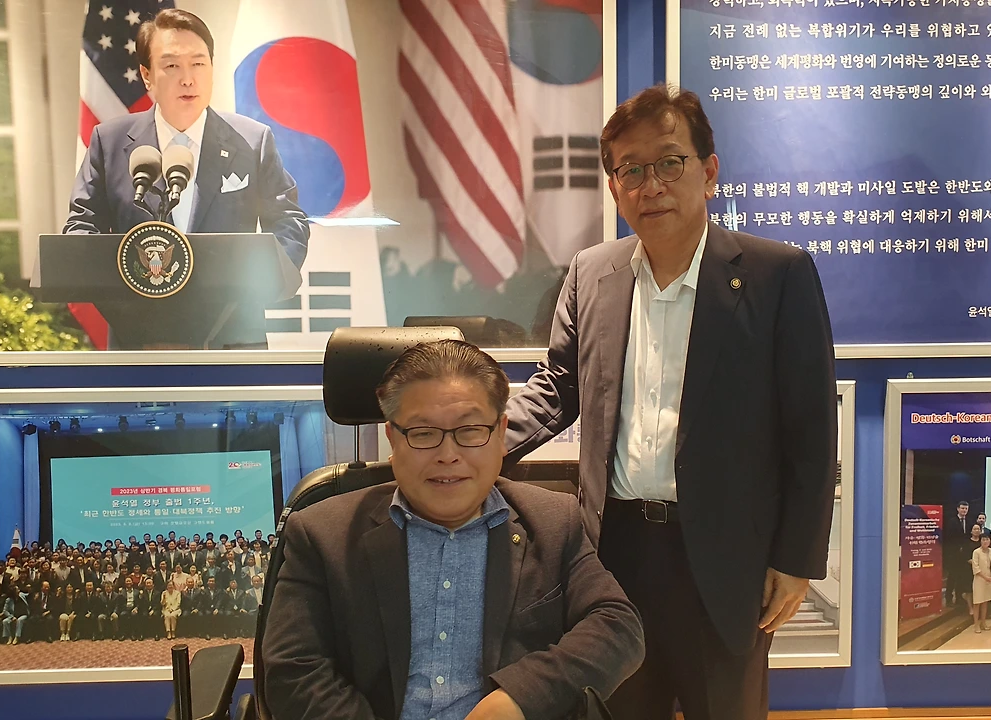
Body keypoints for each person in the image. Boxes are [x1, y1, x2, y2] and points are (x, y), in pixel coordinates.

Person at [502, 84, 837, 720]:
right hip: (614, 553)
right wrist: (475, 440)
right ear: (614, 187)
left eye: (669, 162)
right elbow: (558, 387)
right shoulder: (591, 273)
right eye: (630, 170)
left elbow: (811, 429)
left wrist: (796, 560)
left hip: (726, 557)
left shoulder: (776, 275)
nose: (650, 185)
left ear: (708, 172)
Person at [262, 340, 646, 719]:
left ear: (500, 433)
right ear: (393, 438)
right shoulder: (320, 534)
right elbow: (292, 670)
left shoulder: (552, 520)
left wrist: (519, 699)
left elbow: (618, 626)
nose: (448, 455)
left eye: (471, 430)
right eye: (423, 433)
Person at [63, 8, 309, 350]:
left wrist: (259, 282)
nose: (188, 79)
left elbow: (288, 221)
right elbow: (80, 228)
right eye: (172, 66)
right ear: (147, 75)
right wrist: (125, 305)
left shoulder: (252, 141)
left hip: (233, 342)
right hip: (139, 346)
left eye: (198, 63)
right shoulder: (110, 142)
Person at [945, 501, 973, 608]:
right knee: (952, 577)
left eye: (966, 509)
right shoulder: (952, 521)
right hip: (954, 555)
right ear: (958, 509)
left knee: (961, 577)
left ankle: (959, 598)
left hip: (964, 555)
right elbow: (949, 538)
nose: (964, 510)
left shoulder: (969, 522)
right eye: (962, 508)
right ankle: (948, 598)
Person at [970, 534, 991, 632]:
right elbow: (975, 567)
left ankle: (983, 623)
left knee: (985, 602)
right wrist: (985, 577)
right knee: (977, 602)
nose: (985, 541)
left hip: (989, 579)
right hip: (979, 579)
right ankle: (976, 625)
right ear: (980, 541)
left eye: (987, 539)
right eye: (983, 540)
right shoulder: (976, 552)